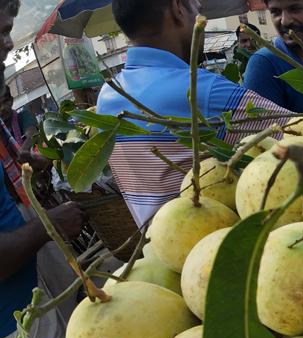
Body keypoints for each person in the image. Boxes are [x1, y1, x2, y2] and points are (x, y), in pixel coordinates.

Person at [0, 0, 173, 338]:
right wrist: (48, 228)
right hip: (11, 304)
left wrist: (29, 163)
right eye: (0, 32)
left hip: (38, 260)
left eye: (8, 30)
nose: (8, 45)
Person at [98, 0, 288, 227]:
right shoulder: (203, 90)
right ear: (178, 8)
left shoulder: (106, 97)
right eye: (197, 8)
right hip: (222, 248)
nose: (200, 13)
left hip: (160, 250)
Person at [243, 0, 303, 112]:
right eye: (275, 12)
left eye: (295, 9)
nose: (285, 21)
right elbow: (260, 124)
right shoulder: (264, 64)